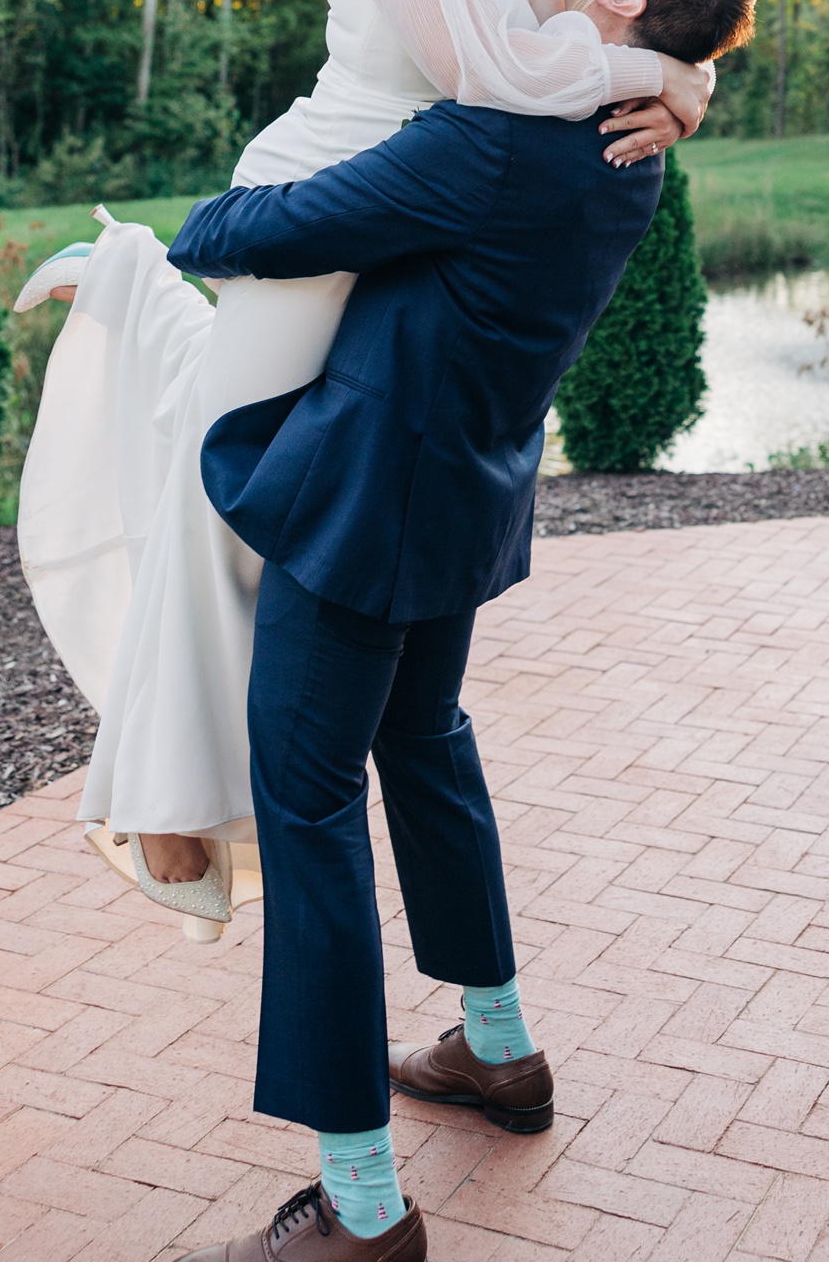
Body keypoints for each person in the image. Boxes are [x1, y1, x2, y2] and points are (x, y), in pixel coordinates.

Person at [13, 0, 727, 926]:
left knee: (288, 479)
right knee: (218, 468)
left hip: (417, 223)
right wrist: (669, 68)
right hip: (324, 203)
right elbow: (493, 74)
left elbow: (582, 50)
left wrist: (681, 73)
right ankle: (163, 787)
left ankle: (127, 283)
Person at [162, 87, 672, 1261]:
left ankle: (360, 1194)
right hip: (463, 495)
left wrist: (197, 221)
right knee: (424, 740)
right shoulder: (636, 144)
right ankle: (496, 1043)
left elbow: (258, 230)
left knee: (307, 799)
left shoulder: (490, 137)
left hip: (364, 502)